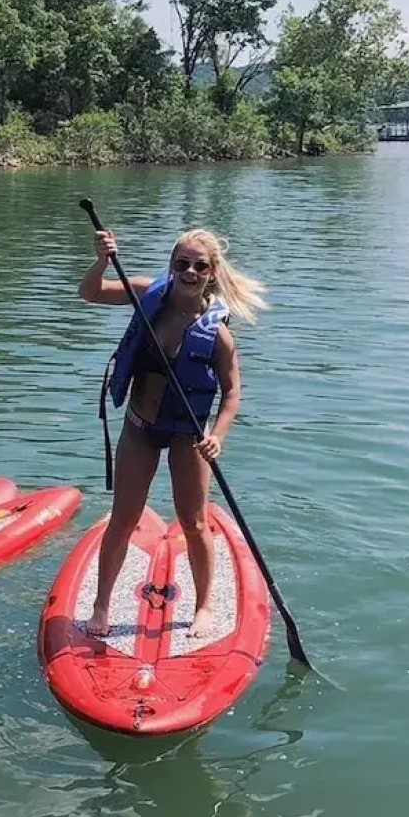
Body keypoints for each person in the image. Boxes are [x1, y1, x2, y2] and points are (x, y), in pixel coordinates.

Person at [79, 226, 267, 638]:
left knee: (194, 522)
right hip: (139, 428)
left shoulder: (218, 334)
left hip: (189, 436)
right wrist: (101, 259)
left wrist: (218, 434)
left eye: (199, 266)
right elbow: (90, 293)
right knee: (123, 519)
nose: (189, 271)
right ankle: (101, 607)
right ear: (172, 265)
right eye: (181, 263)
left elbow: (233, 393)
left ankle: (202, 607)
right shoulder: (147, 294)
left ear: (211, 272)